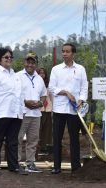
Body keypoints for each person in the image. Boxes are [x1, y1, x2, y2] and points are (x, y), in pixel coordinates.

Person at [0, 47, 27, 175]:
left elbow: (20, 94)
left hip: (15, 113)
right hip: (1, 113)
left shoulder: (15, 75)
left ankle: (13, 166)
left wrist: (22, 111)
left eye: (10, 57)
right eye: (6, 57)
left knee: (13, 141)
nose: (9, 59)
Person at [48, 43, 88, 174]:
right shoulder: (56, 69)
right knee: (57, 138)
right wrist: (65, 92)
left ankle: (75, 167)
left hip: (74, 109)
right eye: (63, 51)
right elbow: (51, 88)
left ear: (73, 54)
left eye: (67, 51)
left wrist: (81, 100)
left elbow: (84, 87)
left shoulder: (81, 69)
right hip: (59, 109)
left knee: (74, 138)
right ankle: (56, 166)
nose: (64, 54)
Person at [17, 52, 47, 173]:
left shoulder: (39, 79)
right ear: (24, 62)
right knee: (18, 138)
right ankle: (17, 163)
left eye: (32, 62)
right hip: (22, 113)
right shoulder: (17, 76)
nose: (30, 64)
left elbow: (44, 95)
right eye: (28, 61)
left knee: (33, 140)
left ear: (36, 64)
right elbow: (14, 93)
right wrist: (25, 102)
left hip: (36, 114)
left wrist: (40, 103)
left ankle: (30, 163)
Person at [37, 67, 53, 154]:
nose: (42, 75)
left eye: (43, 73)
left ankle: (45, 147)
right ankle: (38, 147)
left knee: (48, 130)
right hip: (39, 110)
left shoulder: (49, 85)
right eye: (40, 73)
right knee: (39, 129)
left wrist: (53, 109)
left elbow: (52, 97)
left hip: (48, 109)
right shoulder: (35, 84)